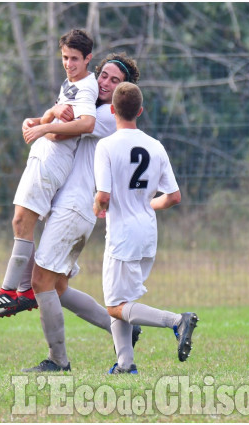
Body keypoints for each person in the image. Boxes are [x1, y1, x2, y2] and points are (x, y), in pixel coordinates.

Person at [13, 54, 143, 372]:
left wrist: (41, 123)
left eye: (115, 80)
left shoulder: (109, 115)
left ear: (123, 91)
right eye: (103, 76)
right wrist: (47, 117)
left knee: (40, 281)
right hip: (71, 206)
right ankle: (126, 329)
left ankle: (58, 361)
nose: (105, 82)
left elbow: (60, 132)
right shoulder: (94, 107)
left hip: (75, 207)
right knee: (57, 287)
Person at [0, 29, 97, 310]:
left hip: (51, 162)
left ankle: (10, 289)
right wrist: (39, 120)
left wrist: (46, 126)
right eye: (65, 57)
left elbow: (86, 123)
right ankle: (23, 289)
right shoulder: (70, 83)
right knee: (21, 222)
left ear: (88, 58)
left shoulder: (87, 86)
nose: (68, 63)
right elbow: (58, 118)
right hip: (45, 158)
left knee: (21, 221)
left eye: (75, 59)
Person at [93, 82, 198, 374]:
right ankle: (125, 365)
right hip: (147, 233)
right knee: (122, 300)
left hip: (122, 236)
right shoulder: (155, 146)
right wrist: (146, 207)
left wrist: (97, 207)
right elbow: (174, 197)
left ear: (112, 110)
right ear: (139, 111)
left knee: (114, 306)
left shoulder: (106, 146)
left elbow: (103, 197)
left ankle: (176, 321)